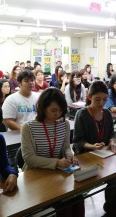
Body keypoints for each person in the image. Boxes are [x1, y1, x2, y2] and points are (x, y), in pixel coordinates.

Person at [21, 88, 84, 216]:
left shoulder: (64, 124)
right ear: (43, 108)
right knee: (65, 204)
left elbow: (66, 146)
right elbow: (29, 158)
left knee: (78, 198)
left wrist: (70, 155)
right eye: (53, 110)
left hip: (58, 173)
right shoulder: (28, 127)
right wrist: (56, 163)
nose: (58, 114)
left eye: (61, 111)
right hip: (35, 175)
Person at [73, 81, 116, 217]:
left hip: (105, 157)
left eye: (104, 99)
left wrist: (112, 140)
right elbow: (77, 143)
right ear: (89, 97)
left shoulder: (107, 114)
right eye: (97, 99)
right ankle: (111, 205)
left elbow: (112, 133)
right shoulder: (82, 114)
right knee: (114, 178)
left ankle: (112, 203)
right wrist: (92, 146)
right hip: (88, 158)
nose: (101, 103)